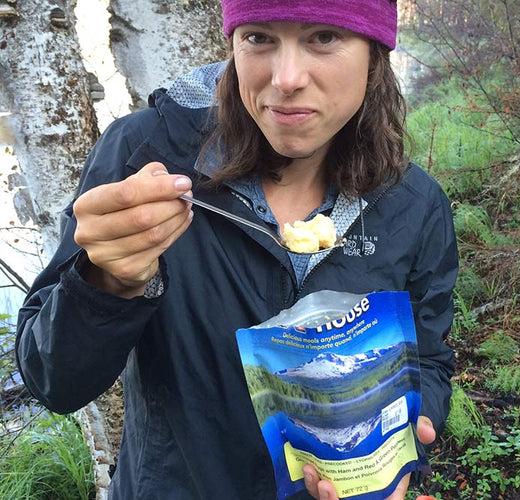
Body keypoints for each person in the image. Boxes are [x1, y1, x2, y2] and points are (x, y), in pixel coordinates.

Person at [16, 1, 458, 499]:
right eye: (259, 38)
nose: (287, 77)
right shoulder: (146, 161)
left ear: (375, 52)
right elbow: (53, 381)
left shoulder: (413, 204)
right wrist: (108, 281)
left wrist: (395, 455)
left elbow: (427, 361)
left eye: (324, 37)